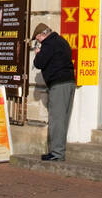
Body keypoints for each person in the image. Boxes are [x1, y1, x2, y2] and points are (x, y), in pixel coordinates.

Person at [31, 23, 76, 162]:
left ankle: (56, 153)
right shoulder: (62, 41)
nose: (37, 42)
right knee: (63, 119)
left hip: (59, 84)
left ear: (41, 35)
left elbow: (39, 63)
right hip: (69, 82)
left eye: (37, 39)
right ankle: (59, 151)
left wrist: (37, 54)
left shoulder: (48, 44)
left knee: (57, 119)